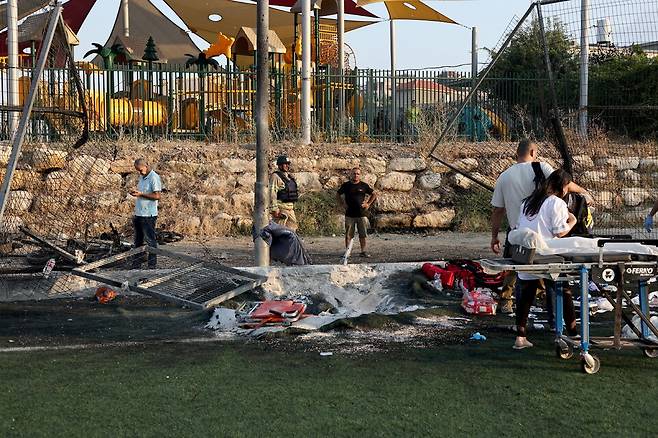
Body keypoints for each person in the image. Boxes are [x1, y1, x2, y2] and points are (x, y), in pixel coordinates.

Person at [491, 139, 589, 313]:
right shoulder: (541, 168)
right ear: (533, 152)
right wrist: (583, 192)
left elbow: (498, 210)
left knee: (515, 267)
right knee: (549, 272)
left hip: (517, 231)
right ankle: (551, 309)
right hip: (542, 232)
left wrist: (494, 236)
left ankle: (507, 301)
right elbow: (561, 182)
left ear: (516, 154)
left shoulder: (504, 176)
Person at [514, 169, 578, 350]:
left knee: (526, 294)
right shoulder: (556, 203)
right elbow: (559, 231)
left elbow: (520, 226)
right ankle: (574, 333)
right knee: (563, 290)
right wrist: (572, 221)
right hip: (547, 255)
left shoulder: (528, 202)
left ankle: (520, 337)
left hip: (527, 254)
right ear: (564, 188)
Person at [337, 167, 377, 258]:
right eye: (354, 173)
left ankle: (363, 251)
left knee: (362, 234)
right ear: (351, 174)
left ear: (360, 175)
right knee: (348, 234)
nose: (356, 175)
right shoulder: (346, 185)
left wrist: (368, 204)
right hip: (349, 214)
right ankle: (348, 252)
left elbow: (374, 194)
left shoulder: (364, 185)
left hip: (361, 214)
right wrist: (342, 204)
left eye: (358, 174)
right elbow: (338, 194)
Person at [130, 158, 162, 268]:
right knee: (138, 241)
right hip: (139, 213)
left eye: (140, 170)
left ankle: (152, 266)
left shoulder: (154, 177)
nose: (139, 172)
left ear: (146, 166)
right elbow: (142, 193)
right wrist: (136, 193)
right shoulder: (142, 177)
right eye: (138, 170)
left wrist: (141, 194)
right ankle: (136, 265)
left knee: (150, 241)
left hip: (148, 215)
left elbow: (157, 196)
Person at [270, 155, 299, 231]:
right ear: (279, 165)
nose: (287, 166)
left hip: (290, 209)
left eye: (287, 164)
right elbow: (272, 193)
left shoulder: (289, 176)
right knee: (279, 231)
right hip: (281, 209)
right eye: (285, 164)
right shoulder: (275, 176)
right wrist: (274, 209)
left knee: (292, 231)